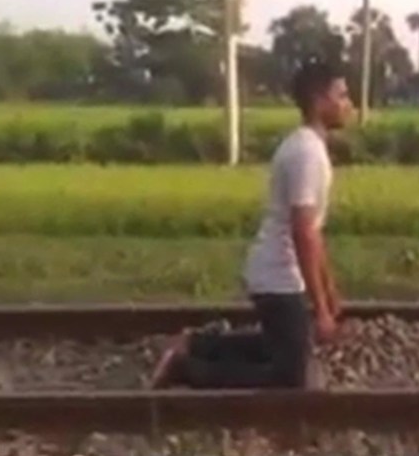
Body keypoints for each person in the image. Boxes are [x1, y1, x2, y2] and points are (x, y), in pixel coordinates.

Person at [150, 60, 353, 389]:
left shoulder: (307, 146)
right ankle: (186, 370)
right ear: (319, 100)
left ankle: (198, 345)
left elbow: (314, 232)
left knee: (283, 346)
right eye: (341, 96)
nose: (348, 104)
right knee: (290, 376)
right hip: (278, 276)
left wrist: (330, 294)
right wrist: (322, 310)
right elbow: (303, 233)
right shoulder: (307, 154)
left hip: (279, 271)